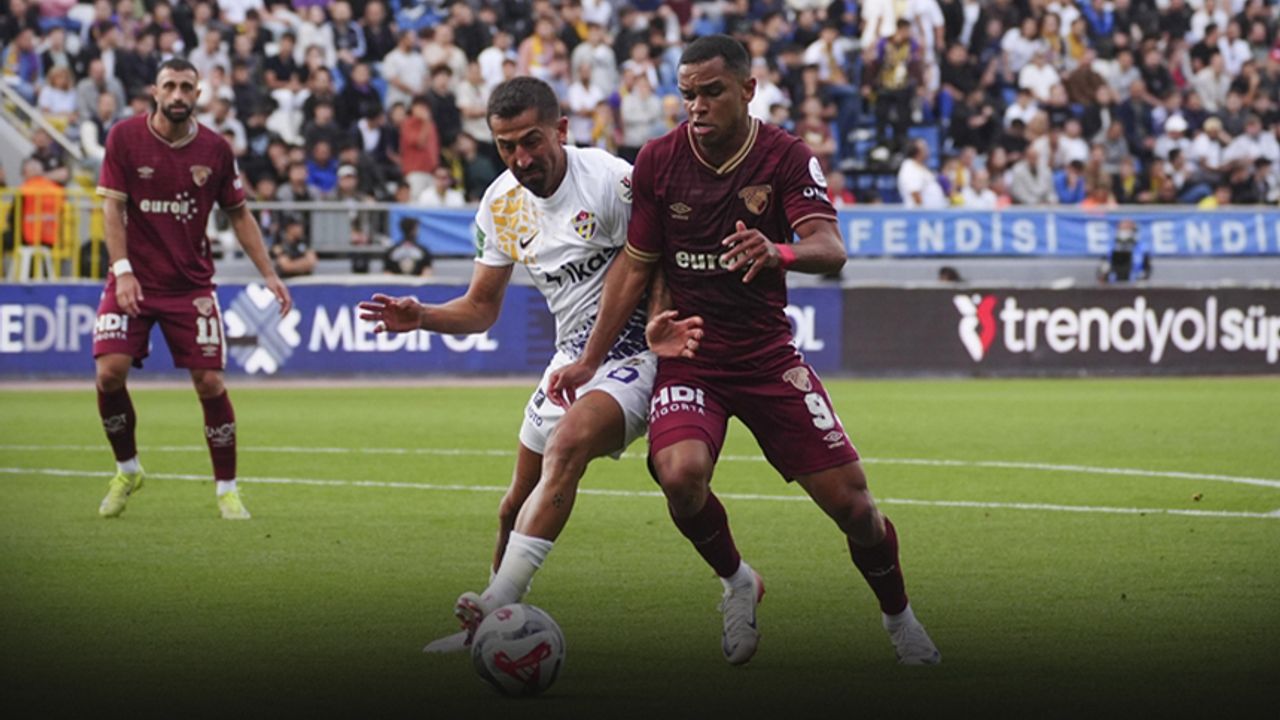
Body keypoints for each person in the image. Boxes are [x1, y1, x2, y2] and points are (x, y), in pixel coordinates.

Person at [547, 35, 941, 667]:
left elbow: (830, 248)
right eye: (687, 95)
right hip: (691, 355)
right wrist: (591, 360)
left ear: (747, 90)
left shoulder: (786, 155)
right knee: (679, 476)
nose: (697, 106)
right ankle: (737, 582)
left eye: (712, 92)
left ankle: (901, 620)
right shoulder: (658, 160)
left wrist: (779, 250)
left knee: (855, 508)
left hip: (766, 357)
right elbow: (635, 264)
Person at [357, 77, 692, 651]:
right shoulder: (500, 204)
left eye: (531, 141)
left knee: (567, 447)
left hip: (636, 353)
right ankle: (483, 633)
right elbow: (481, 308)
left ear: (561, 130)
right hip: (571, 360)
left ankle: (496, 603)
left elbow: (655, 263)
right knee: (514, 502)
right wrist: (423, 316)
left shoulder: (609, 181)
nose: (520, 158)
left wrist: (655, 326)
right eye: (505, 146)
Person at [92, 59, 292, 520]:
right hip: (133, 278)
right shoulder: (124, 137)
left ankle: (227, 490)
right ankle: (127, 470)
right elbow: (111, 210)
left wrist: (269, 273)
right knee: (109, 374)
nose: (178, 94)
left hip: (190, 286)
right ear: (155, 91)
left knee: (210, 382)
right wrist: (123, 270)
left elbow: (239, 214)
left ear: (198, 94)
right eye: (170, 86)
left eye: (186, 87)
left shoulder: (216, 149)